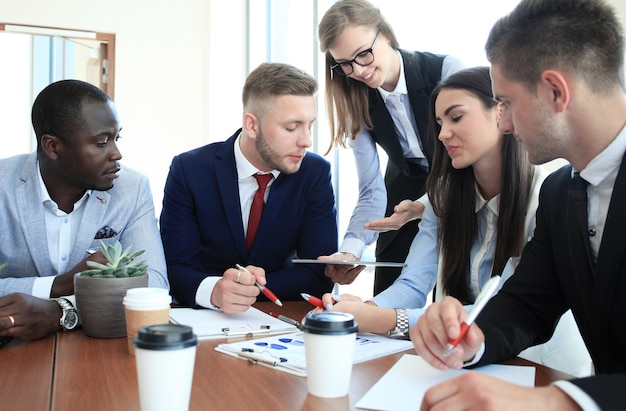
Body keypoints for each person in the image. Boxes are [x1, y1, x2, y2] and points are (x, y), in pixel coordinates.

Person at [411, 0, 626, 409]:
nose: (503, 123)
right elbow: (528, 304)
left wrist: (559, 401)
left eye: (506, 102)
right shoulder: (561, 193)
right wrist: (471, 338)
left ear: (555, 91)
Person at [321, 66, 590, 377]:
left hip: (540, 367)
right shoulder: (444, 194)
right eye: (439, 122)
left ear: (500, 112)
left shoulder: (547, 197)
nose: (442, 133)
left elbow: (505, 308)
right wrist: (364, 310)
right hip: (466, 364)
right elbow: (414, 281)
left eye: (456, 117)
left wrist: (386, 320)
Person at [160, 62, 337, 314]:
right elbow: (173, 266)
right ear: (252, 125)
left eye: (310, 125)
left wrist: (247, 287)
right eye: (291, 127)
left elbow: (318, 273)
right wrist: (214, 290)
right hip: (203, 319)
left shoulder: (315, 173)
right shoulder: (189, 170)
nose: (306, 140)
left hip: (280, 318)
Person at [0, 79, 168, 341]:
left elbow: (154, 285)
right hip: (15, 352)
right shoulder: (3, 186)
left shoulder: (132, 189)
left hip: (99, 346)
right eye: (102, 142)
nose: (117, 154)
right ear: (52, 146)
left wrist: (62, 310)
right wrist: (61, 284)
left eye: (116, 138)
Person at [317, 0, 465, 293]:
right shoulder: (356, 102)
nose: (358, 70)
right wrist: (351, 249)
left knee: (452, 299)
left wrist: (424, 205)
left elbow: (473, 158)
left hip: (460, 186)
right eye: (345, 64)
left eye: (363, 54)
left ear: (385, 34)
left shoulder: (445, 70)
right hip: (401, 198)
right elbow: (371, 188)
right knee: (387, 299)